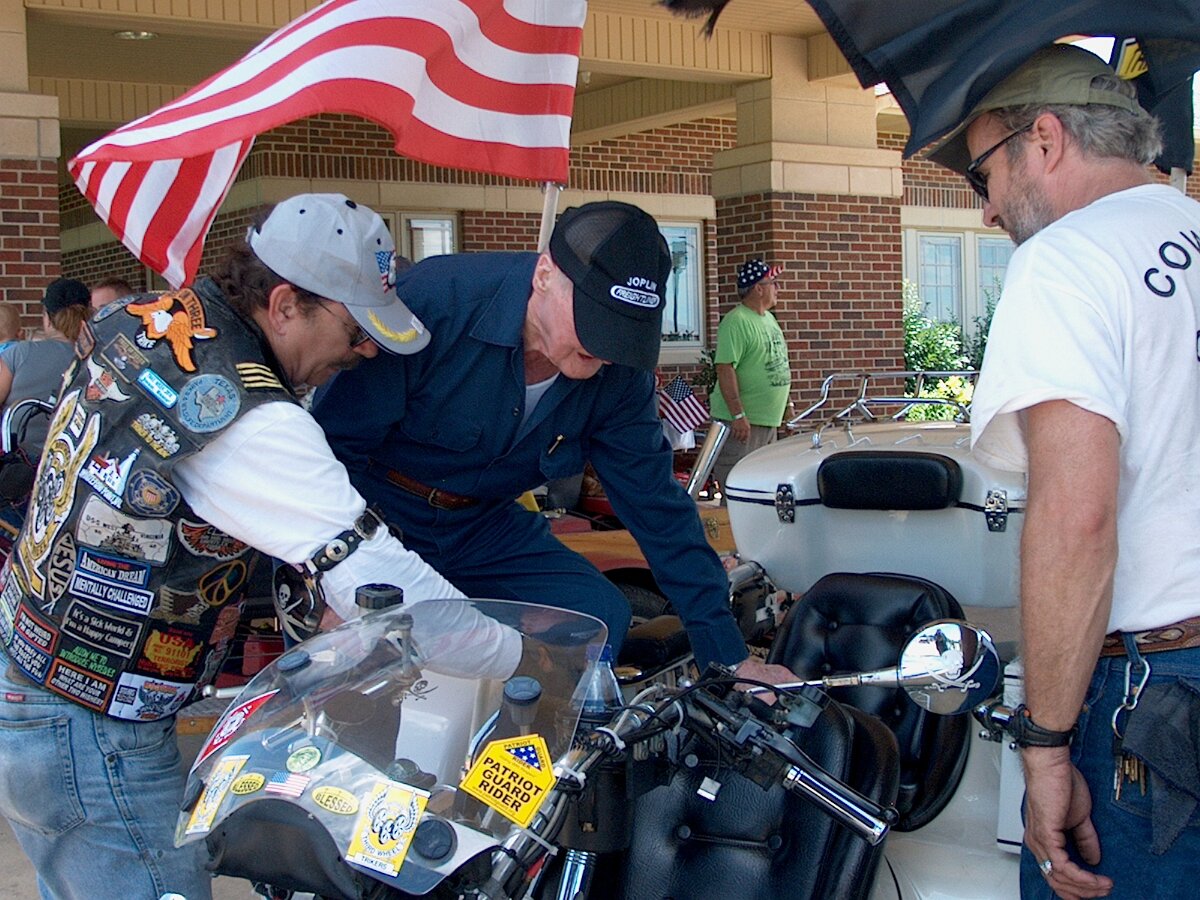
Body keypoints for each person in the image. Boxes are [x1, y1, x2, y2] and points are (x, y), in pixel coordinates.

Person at [0, 193, 519, 900]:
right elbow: (383, 578)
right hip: (94, 730)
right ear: (283, 305)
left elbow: (165, 499)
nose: (367, 351)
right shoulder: (248, 414)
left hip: (37, 675)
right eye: (355, 328)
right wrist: (525, 661)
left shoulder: (142, 316)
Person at [313, 200, 794, 686]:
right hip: (376, 516)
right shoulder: (434, 303)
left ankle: (522, 732)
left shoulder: (620, 374)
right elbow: (327, 452)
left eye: (627, 334)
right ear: (545, 274)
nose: (608, 352)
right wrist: (329, 577)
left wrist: (729, 659)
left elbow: (656, 507)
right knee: (367, 666)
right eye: (598, 323)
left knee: (596, 617)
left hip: (483, 526)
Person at [928, 43, 1200, 899]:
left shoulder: (1068, 258)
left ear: (1043, 139)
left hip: (1156, 702)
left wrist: (1044, 745)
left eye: (982, 176)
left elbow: (1076, 519)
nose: (986, 212)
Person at [707, 258, 792, 498]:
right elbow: (725, 368)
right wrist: (738, 414)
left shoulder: (769, 319)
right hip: (743, 426)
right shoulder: (735, 322)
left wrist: (787, 406)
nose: (778, 288)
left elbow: (778, 363)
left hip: (767, 422)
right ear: (758, 288)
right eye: (773, 283)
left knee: (765, 489)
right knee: (741, 491)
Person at [0, 278, 93, 455]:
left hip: (19, 462)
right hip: (74, 463)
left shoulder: (19, 353)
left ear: (48, 319)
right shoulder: (96, 359)